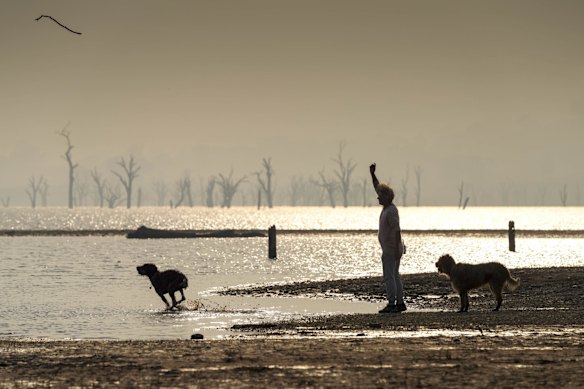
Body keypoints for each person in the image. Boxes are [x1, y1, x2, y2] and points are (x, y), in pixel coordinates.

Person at [370, 163, 406, 313]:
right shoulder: (387, 208)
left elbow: (397, 230)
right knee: (394, 275)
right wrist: (372, 174)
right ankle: (399, 303)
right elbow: (378, 187)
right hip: (392, 247)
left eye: (380, 196)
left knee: (389, 276)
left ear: (386, 197)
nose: (377, 197)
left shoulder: (391, 211)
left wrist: (398, 248)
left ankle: (392, 303)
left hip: (392, 248)